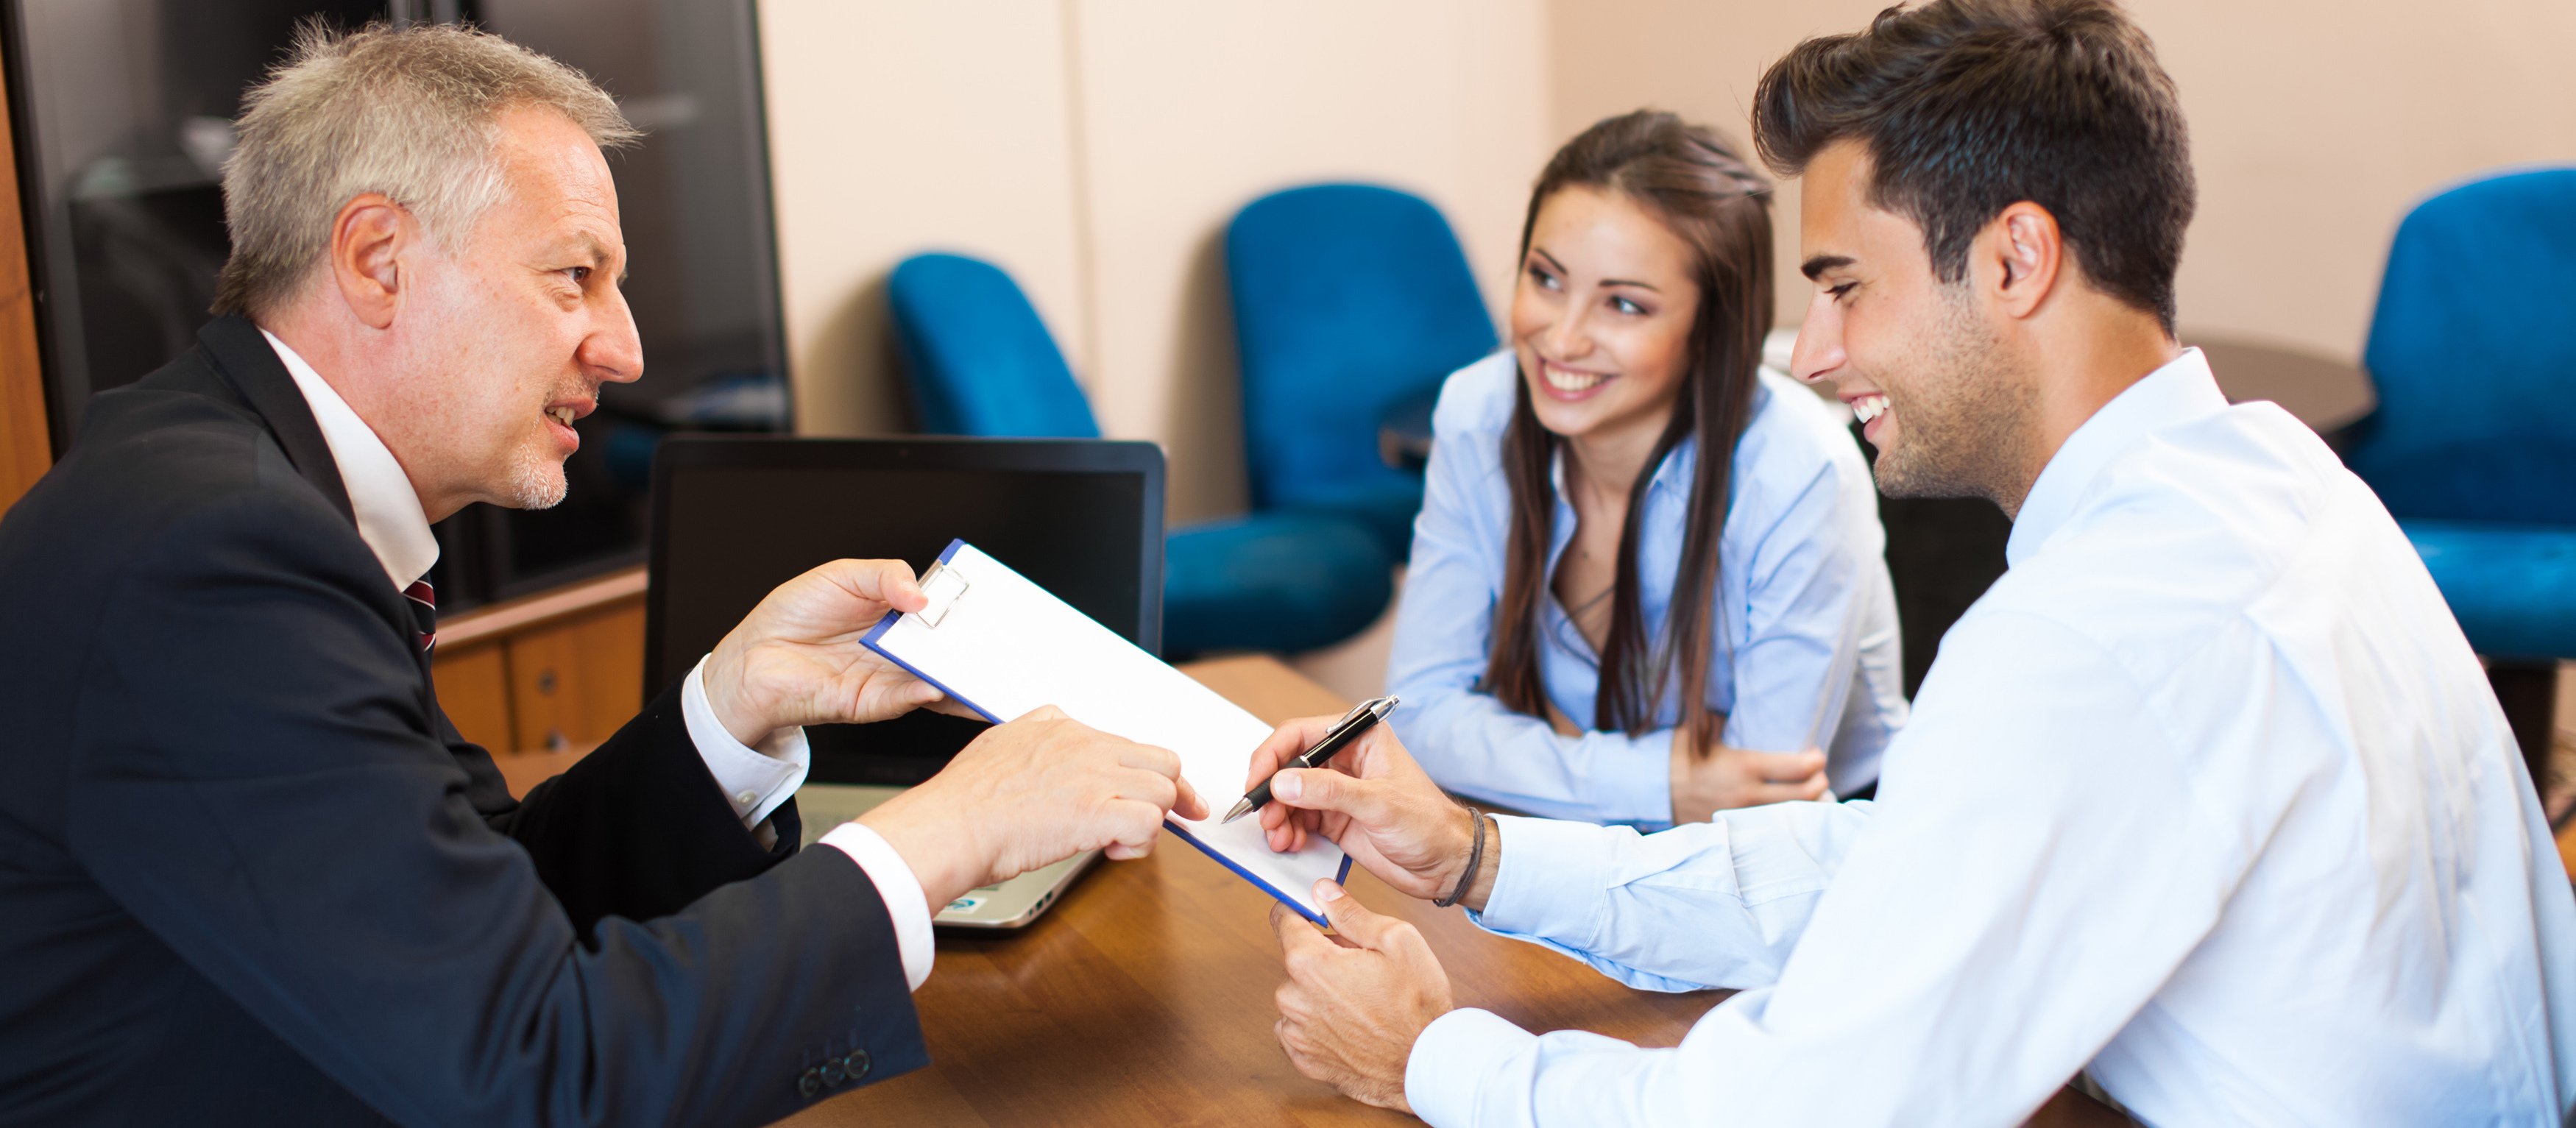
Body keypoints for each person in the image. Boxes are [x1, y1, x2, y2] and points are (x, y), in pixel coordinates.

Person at [1250, 1, 2576, 1123]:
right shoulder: (2277, 484)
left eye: (1843, 285)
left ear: (2013, 259)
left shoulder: (2092, 636)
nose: (1816, 353)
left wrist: (1430, 1053)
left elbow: (1809, 1105)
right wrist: (1483, 855)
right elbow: (1895, 871)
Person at [0, 24, 1204, 1127]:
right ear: (377, 260)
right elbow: (537, 1068)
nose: (623, 347)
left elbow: (487, 903)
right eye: (574, 276)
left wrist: (728, 710)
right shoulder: (214, 560)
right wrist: (948, 829)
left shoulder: (241, 485)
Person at [1389, 111, 1906, 826]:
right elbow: (1418, 713)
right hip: (1582, 834)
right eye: (1545, 279)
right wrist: (1657, 782)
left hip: (1821, 855)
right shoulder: (1478, 414)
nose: (1560, 338)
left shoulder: (1798, 474)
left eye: (1623, 304)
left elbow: (1760, 806)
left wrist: (1533, 763)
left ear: (1710, 329)